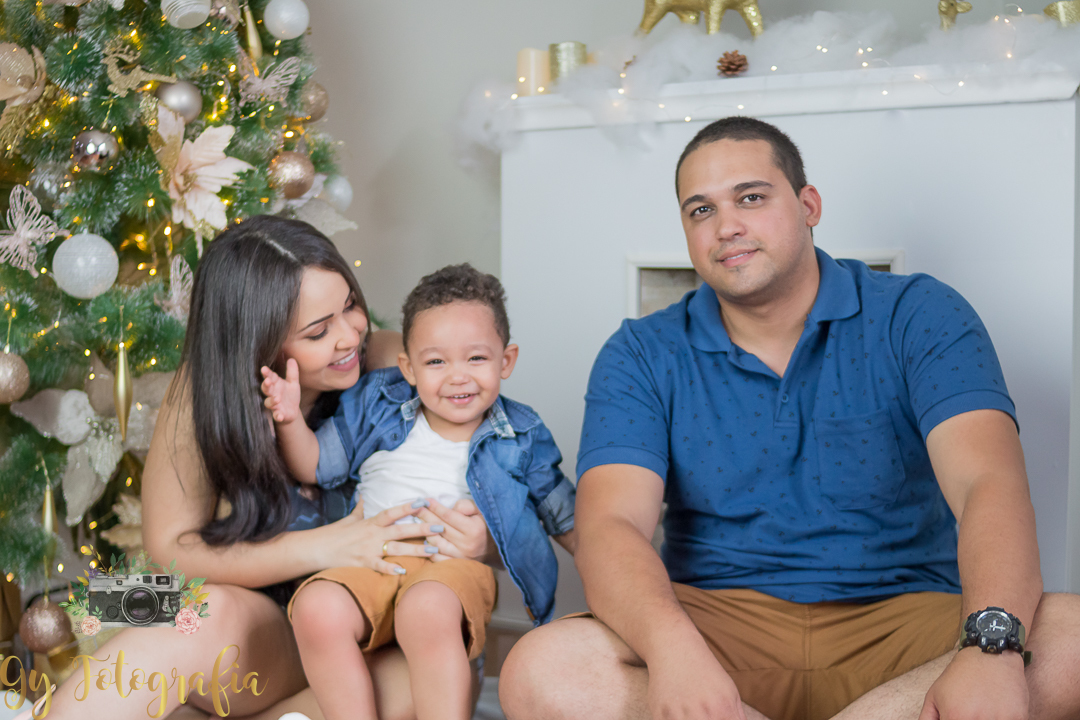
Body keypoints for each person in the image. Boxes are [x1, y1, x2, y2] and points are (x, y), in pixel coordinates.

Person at [498, 117, 1080, 720]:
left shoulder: (919, 312)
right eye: (700, 210)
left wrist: (990, 650)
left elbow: (990, 485)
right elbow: (611, 525)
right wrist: (674, 654)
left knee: (1070, 634)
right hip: (717, 628)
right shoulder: (641, 352)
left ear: (808, 205)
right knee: (541, 669)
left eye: (751, 197)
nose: (726, 227)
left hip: (908, 625)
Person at [40, 216, 497, 720]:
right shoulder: (203, 395)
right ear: (257, 344)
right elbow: (169, 554)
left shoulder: (403, 367)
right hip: (262, 620)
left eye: (350, 305)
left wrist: (481, 541)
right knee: (175, 607)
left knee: (419, 683)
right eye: (319, 330)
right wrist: (326, 545)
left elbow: (508, 486)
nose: (350, 337)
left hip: (379, 628)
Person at [260, 263, 577, 720]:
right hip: (372, 562)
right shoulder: (378, 404)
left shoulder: (520, 435)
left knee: (425, 609)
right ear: (408, 367)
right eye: (436, 361)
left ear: (505, 361)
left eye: (476, 358)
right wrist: (289, 420)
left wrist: (615, 568)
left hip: (449, 572)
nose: (457, 377)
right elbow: (315, 465)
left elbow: (563, 512)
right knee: (315, 607)